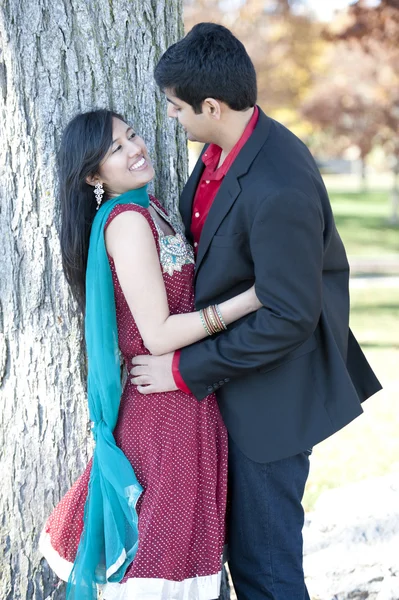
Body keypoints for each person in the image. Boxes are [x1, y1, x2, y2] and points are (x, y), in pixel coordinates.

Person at [130, 23, 383, 600]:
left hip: (274, 404)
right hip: (235, 390)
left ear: (211, 105)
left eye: (176, 108)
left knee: (265, 574)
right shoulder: (223, 149)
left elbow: (290, 318)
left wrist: (182, 370)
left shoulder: (279, 185)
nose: (172, 118)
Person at [39, 109, 262, 600]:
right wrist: (249, 301)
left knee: (183, 551)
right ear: (95, 176)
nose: (135, 148)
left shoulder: (154, 208)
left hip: (185, 399)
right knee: (161, 558)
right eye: (116, 149)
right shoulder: (127, 221)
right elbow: (158, 334)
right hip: (162, 416)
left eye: (132, 135)